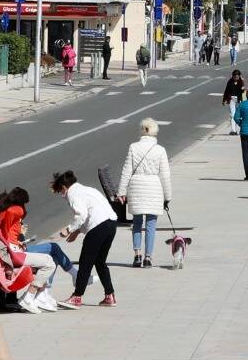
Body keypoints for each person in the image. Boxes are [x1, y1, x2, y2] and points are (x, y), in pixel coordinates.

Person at [53, 171, 120, 307]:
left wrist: (69, 229)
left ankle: (77, 296)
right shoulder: (88, 189)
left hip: (98, 227)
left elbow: (81, 215)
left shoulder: (73, 194)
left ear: (64, 187)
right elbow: (91, 213)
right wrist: (78, 231)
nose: (62, 195)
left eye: (60, 191)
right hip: (111, 223)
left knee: (85, 262)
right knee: (100, 262)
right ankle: (110, 295)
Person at [0, 189, 63, 312]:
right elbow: (4, 233)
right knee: (49, 263)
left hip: (13, 251)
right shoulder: (16, 210)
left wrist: (16, 241)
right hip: (14, 254)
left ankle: (39, 296)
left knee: (47, 262)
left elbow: (4, 233)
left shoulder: (2, 212)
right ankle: (30, 297)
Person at [116, 118, 172, 268]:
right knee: (151, 225)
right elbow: (165, 175)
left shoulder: (133, 147)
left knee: (137, 223)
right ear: (155, 131)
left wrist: (121, 191)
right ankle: (148, 257)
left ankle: (137, 255)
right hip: (154, 187)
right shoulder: (160, 150)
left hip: (136, 187)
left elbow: (126, 170)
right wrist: (167, 196)